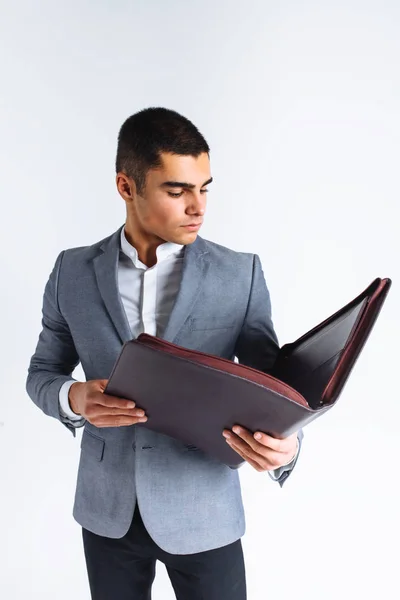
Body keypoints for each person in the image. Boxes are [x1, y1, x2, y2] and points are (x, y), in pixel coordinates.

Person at [26, 107, 303, 600]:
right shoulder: (71, 271)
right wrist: (74, 398)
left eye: (204, 188)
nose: (198, 206)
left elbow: (272, 390)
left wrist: (287, 447)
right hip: (106, 512)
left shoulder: (240, 274)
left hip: (205, 511)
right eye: (177, 191)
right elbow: (42, 372)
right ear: (126, 187)